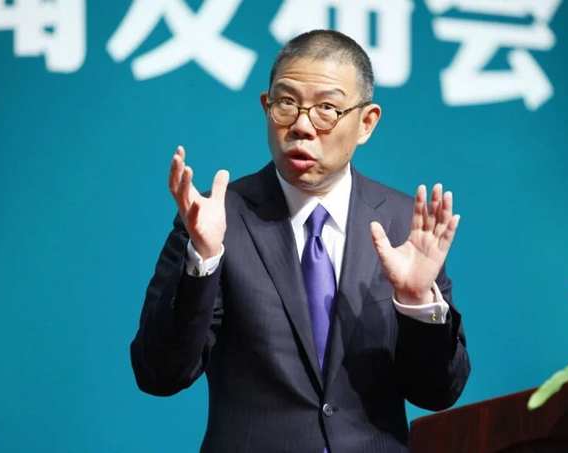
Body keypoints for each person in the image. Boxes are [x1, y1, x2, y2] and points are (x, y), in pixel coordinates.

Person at [132, 29, 470, 452]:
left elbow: (438, 392)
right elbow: (159, 374)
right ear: (266, 106)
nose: (302, 126)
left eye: (326, 109)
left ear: (366, 123)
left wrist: (417, 301)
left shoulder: (405, 225)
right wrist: (203, 258)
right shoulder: (216, 219)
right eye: (286, 104)